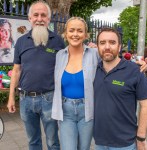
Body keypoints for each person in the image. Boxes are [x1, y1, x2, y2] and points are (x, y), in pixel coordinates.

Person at [7, 1, 65, 150]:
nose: (40, 18)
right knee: (33, 141)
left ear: (48, 19)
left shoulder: (58, 41)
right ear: (30, 18)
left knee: (53, 142)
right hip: (25, 100)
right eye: (36, 15)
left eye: (43, 15)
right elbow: (16, 70)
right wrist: (11, 97)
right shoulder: (20, 42)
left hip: (49, 99)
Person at [94, 27, 147, 150]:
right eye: (102, 43)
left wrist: (141, 138)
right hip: (99, 141)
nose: (107, 47)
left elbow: (146, 105)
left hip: (124, 143)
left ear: (119, 47)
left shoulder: (135, 71)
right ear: (97, 47)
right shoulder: (94, 69)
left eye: (112, 42)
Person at [52, 17, 99, 150]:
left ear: (86, 35)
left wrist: (138, 64)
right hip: (65, 111)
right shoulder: (60, 55)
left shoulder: (95, 54)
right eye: (71, 30)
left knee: (84, 148)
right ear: (65, 34)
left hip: (87, 110)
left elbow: (113, 63)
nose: (75, 34)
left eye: (80, 31)